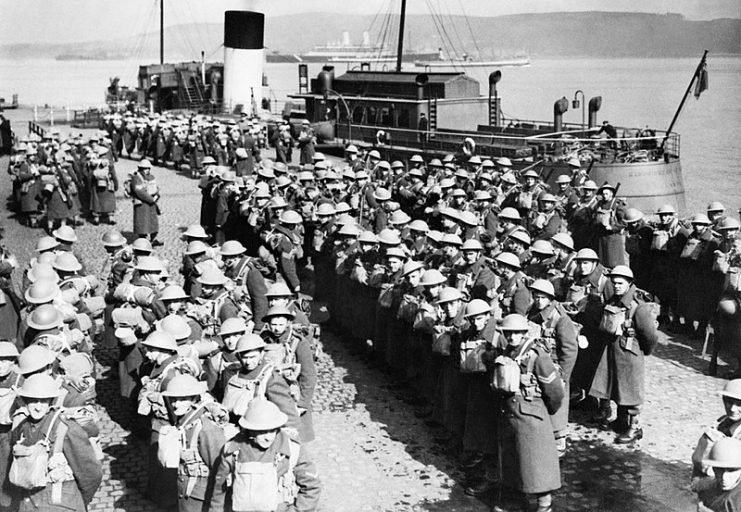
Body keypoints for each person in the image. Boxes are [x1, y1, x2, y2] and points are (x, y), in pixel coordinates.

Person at [488, 314, 564, 512]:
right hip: (510, 413)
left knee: (537, 464)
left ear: (524, 333)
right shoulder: (508, 352)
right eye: (508, 333)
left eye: (516, 333)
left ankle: (544, 504)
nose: (512, 337)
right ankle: (515, 498)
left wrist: (547, 412)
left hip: (532, 417)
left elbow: (555, 391)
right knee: (513, 459)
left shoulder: (537, 356)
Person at [9, 373, 102, 511]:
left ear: (51, 401)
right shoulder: (22, 427)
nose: (38, 407)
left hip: (60, 504)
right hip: (30, 503)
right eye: (33, 400)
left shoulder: (65, 428)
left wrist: (79, 501)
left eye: (44, 401)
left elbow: (91, 473)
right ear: (25, 401)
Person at [209, 400, 321, 512]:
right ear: (250, 430)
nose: (269, 437)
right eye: (262, 431)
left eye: (272, 430)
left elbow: (312, 486)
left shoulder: (291, 448)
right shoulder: (232, 450)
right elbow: (219, 491)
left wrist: (296, 510)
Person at [589, 265, 658, 443]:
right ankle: (621, 421)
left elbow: (649, 334)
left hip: (629, 354)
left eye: (620, 283)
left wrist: (644, 350)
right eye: (614, 283)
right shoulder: (613, 300)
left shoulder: (638, 307)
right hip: (612, 350)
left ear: (629, 284)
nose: (616, 286)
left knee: (630, 391)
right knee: (615, 386)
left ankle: (635, 427)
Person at [159, 374, 225, 512]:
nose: (176, 404)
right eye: (173, 399)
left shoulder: (206, 428)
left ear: (194, 399)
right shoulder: (184, 421)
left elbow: (220, 469)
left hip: (202, 498)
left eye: (182, 400)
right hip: (186, 492)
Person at [694, 438, 741, 511]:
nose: (724, 477)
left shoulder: (737, 500)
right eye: (719, 470)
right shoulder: (706, 485)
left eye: (731, 470)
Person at [130, 159, 162, 246]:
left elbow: (155, 187)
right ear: (140, 168)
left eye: (148, 168)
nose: (147, 170)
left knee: (153, 222)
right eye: (145, 168)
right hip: (142, 204)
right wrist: (151, 199)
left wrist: (157, 195)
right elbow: (139, 191)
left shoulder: (151, 176)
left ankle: (153, 239)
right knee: (143, 223)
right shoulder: (136, 178)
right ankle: (143, 241)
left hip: (151, 203)